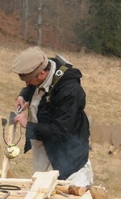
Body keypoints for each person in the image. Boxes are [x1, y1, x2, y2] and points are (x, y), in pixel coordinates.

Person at [10, 46, 93, 187]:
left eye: (29, 82)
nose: (27, 85)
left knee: (69, 196)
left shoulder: (70, 91)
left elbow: (61, 130)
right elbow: (32, 86)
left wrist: (28, 125)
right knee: (42, 188)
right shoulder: (46, 65)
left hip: (68, 154)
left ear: (42, 74)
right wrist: (23, 95)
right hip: (45, 146)